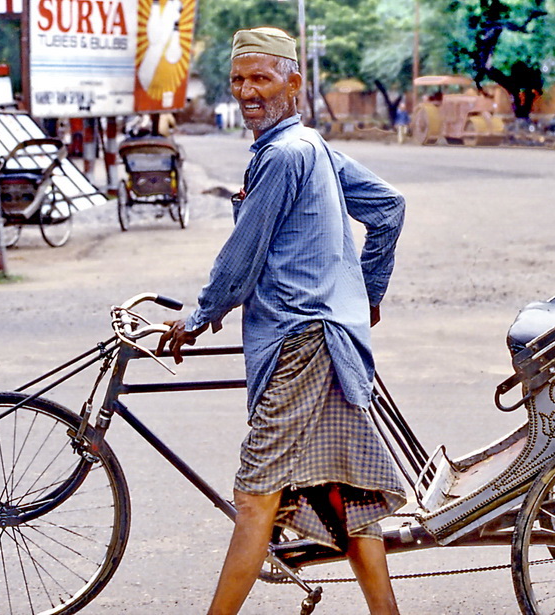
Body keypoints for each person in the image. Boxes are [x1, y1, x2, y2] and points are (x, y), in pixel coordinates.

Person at [156, 27, 407, 615]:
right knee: (343, 494)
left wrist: (197, 316)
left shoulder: (285, 154)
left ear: (294, 82)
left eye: (261, 78)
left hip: (301, 344)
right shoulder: (308, 146)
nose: (247, 91)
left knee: (254, 496)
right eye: (238, 79)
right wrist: (361, 297)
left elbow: (243, 255)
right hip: (326, 338)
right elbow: (389, 208)